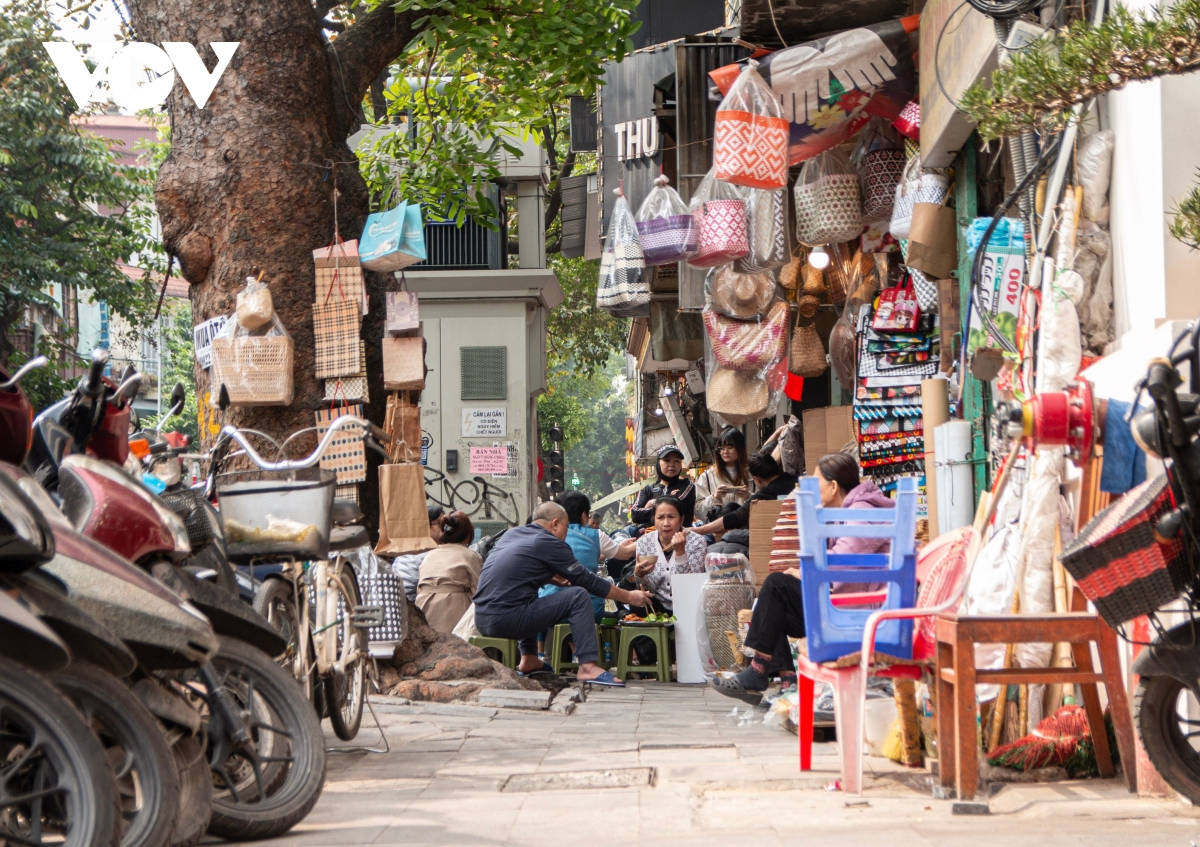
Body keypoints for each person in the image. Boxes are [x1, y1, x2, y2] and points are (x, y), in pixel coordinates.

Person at [708, 453, 899, 704]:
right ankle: (786, 681)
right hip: (848, 602)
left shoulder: (862, 511)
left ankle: (759, 672)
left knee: (777, 586)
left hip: (861, 609)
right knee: (773, 598)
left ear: (833, 486)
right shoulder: (847, 511)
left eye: (815, 482)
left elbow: (839, 564)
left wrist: (800, 572)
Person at [473, 501, 653, 686]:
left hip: (482, 618)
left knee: (528, 594)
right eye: (566, 527)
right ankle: (588, 667)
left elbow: (517, 571)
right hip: (506, 620)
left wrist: (551, 578)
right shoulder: (549, 541)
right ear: (555, 523)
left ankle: (529, 659)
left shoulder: (513, 534)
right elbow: (587, 581)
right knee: (578, 596)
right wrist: (630, 596)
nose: (566, 534)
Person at [545, 491, 637, 621]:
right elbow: (626, 553)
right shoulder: (594, 535)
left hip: (548, 609)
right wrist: (652, 539)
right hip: (587, 609)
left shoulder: (547, 535)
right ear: (584, 516)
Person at [689, 452, 798, 537]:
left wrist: (697, 530)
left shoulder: (767, 492)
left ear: (756, 479)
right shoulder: (794, 478)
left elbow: (736, 516)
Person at [631, 497, 707, 614]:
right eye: (660, 517)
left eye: (671, 517)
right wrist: (639, 576)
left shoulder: (697, 542)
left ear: (681, 519)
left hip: (688, 606)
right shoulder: (644, 542)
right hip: (656, 606)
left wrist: (680, 552)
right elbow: (647, 590)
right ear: (654, 520)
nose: (666, 523)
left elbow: (689, 586)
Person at [415, 511, 481, 634]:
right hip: (453, 613)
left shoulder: (430, 554)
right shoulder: (471, 556)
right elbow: (478, 594)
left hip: (422, 608)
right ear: (467, 533)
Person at [694, 428, 753, 522]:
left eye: (730, 447)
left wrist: (748, 496)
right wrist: (714, 497)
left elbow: (763, 505)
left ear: (740, 448)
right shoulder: (707, 476)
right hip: (717, 531)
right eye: (722, 448)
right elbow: (698, 512)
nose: (725, 451)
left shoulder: (751, 474)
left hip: (744, 529)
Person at [629, 444, 696, 527]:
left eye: (677, 461)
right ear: (658, 463)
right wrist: (670, 498)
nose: (672, 464)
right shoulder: (647, 490)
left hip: (681, 537)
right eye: (667, 460)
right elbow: (635, 515)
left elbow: (677, 506)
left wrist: (652, 502)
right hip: (652, 538)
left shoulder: (687, 485)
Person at [392, 506, 444, 603]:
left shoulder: (412, 545)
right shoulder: (424, 550)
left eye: (444, 523)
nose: (443, 527)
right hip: (410, 601)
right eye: (438, 523)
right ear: (425, 526)